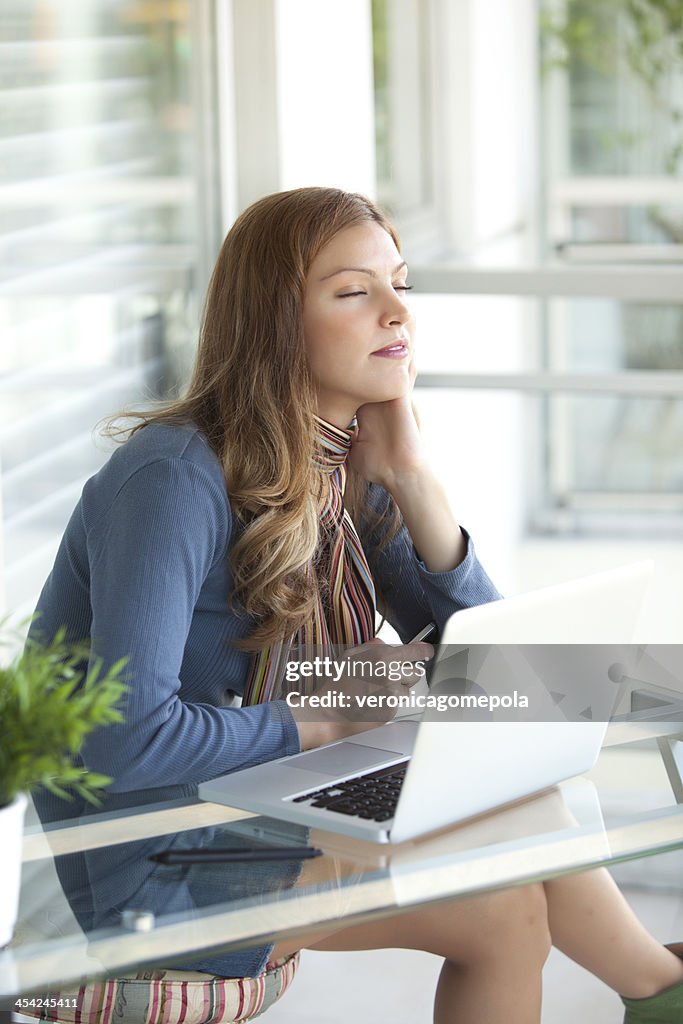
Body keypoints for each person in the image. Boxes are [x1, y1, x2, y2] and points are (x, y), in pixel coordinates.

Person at [31, 186, 683, 1024]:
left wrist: (414, 482)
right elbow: (125, 739)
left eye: (400, 284)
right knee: (506, 910)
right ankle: (660, 991)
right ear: (273, 322)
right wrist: (331, 713)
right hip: (158, 859)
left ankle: (656, 991)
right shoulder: (174, 479)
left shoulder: (338, 466)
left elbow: (484, 668)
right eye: (352, 291)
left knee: (525, 807)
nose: (394, 312)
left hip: (270, 797)